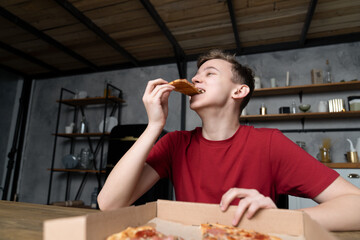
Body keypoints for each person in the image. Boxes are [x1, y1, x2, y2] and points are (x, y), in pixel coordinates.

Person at [98, 49, 360, 231]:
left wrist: (281, 219)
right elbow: (109, 205)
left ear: (240, 90)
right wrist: (154, 125)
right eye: (197, 74)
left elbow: (355, 205)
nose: (196, 78)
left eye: (210, 73)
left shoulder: (270, 144)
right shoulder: (175, 144)